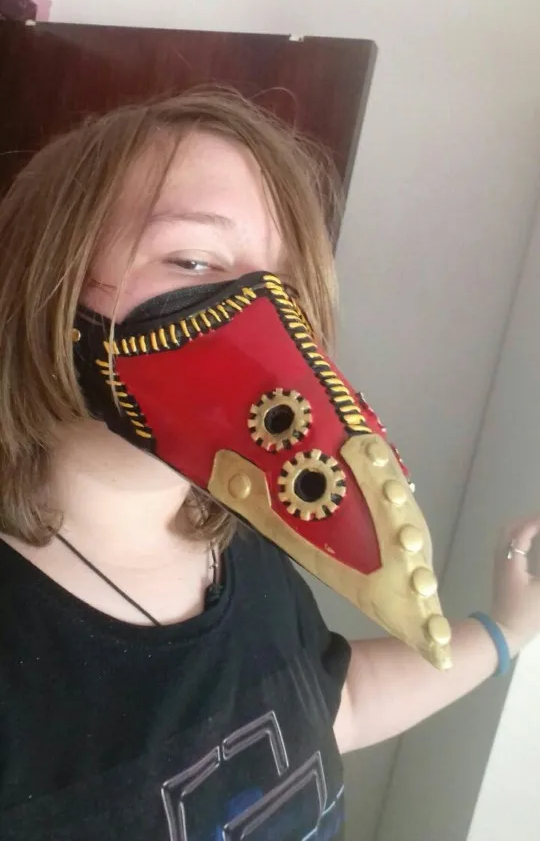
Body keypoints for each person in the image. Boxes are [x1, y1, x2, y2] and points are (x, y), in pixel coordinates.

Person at [0, 89, 538, 841]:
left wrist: (507, 631)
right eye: (194, 259)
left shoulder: (237, 535)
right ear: (44, 280)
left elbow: (333, 705)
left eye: (283, 286)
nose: (265, 317)